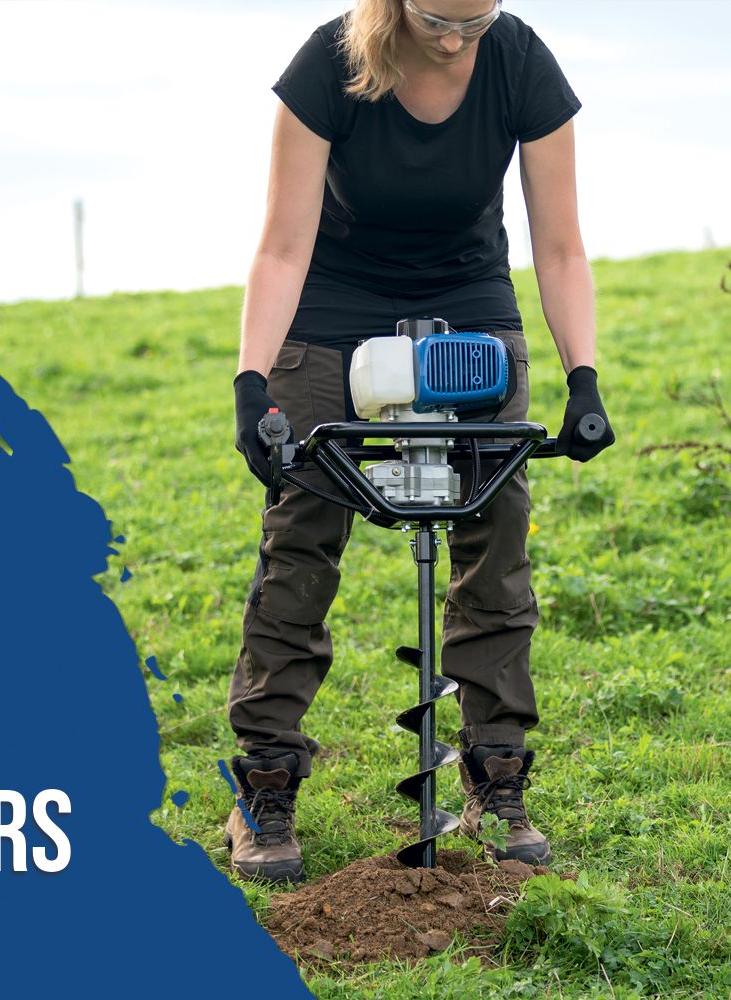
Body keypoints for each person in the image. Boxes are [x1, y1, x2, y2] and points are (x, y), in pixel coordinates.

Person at [225, 0, 615, 882]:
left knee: (497, 537)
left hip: (469, 308)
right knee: (301, 538)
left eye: (475, 24)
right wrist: (253, 383)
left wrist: (582, 377)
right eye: (440, 19)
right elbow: (282, 248)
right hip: (332, 309)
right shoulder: (330, 62)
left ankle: (496, 779)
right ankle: (264, 785)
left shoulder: (520, 63)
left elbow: (561, 248)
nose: (453, 40)